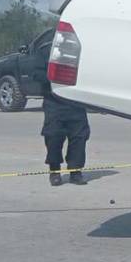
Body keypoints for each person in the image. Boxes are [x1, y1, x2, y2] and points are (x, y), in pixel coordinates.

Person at [37, 35, 90, 185]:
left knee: (79, 137)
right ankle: (54, 171)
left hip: (75, 102)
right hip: (54, 101)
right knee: (53, 136)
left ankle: (76, 172)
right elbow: (36, 74)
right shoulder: (46, 50)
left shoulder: (81, 50)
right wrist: (55, 75)